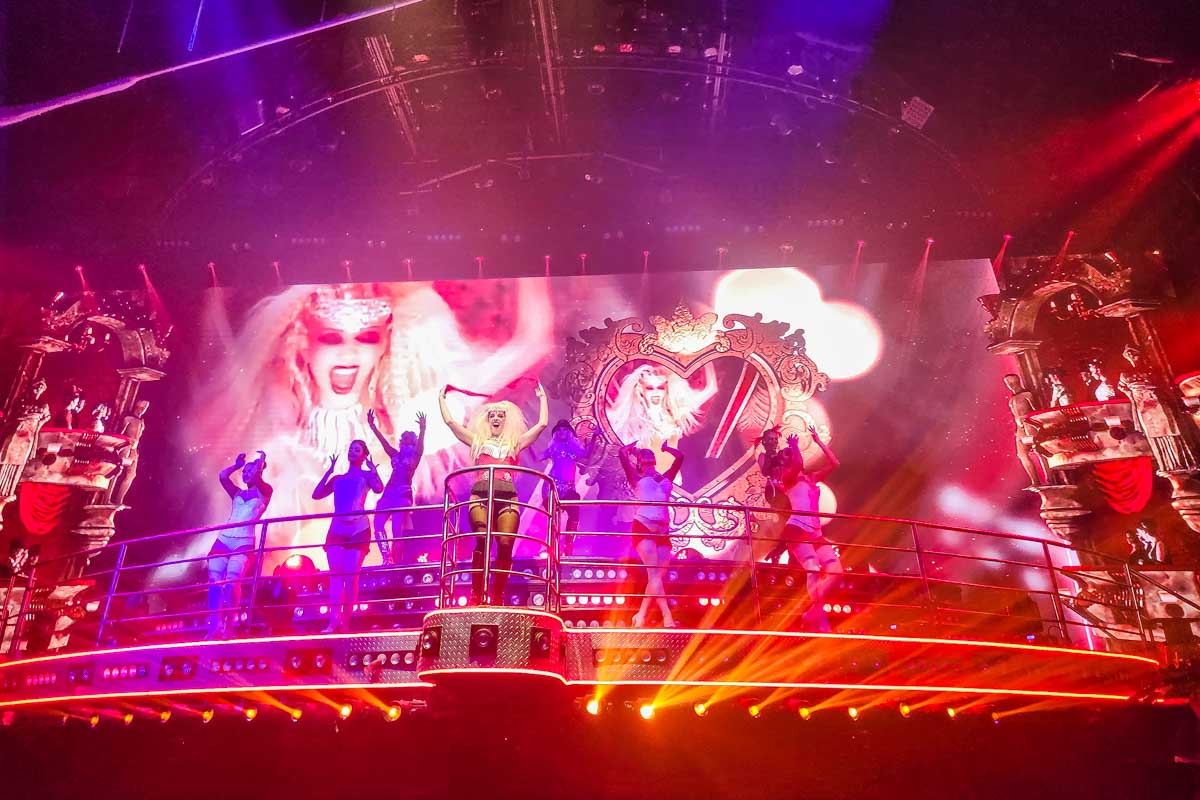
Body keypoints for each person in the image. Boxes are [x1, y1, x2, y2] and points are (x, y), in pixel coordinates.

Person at [182, 280, 552, 577]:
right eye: (330, 338)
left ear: (386, 345)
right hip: (285, 601)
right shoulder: (280, 450)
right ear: (303, 345)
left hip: (365, 586)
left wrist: (533, 266)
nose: (348, 355)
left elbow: (530, 344)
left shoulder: (404, 424)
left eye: (366, 338)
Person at [439, 382, 548, 605]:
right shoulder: (477, 441)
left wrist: (542, 397)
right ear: (487, 421)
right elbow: (451, 423)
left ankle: (497, 593)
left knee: (506, 543)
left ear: (505, 421)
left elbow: (542, 424)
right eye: (493, 416)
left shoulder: (514, 444)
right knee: (482, 538)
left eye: (500, 416)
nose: (496, 418)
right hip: (480, 495)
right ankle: (476, 593)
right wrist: (441, 398)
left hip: (507, 497)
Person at [312, 439, 384, 633]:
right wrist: (328, 472)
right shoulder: (338, 479)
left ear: (363, 454)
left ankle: (346, 620)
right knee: (335, 575)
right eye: (351, 449)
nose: (352, 452)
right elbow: (316, 494)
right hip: (337, 529)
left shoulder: (367, 475)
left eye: (357, 449)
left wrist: (374, 471)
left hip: (358, 529)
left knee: (351, 576)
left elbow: (379, 489)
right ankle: (333, 620)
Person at [774, 428, 842, 632]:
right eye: (787, 455)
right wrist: (794, 447)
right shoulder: (788, 478)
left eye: (790, 453)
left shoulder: (810, 478)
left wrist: (818, 441)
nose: (791, 456)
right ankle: (821, 621)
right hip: (797, 528)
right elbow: (797, 464)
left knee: (836, 571)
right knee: (812, 569)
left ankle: (812, 612)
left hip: (815, 531)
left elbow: (834, 463)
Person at [607, 362, 717, 476]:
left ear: (666, 389)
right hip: (647, 480)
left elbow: (710, 388)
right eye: (650, 388)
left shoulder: (675, 413)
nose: (656, 392)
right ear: (641, 390)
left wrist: (706, 358)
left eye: (660, 387)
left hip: (672, 480)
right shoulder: (632, 420)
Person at [207, 451, 273, 639]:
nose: (245, 474)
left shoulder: (265, 492)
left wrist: (259, 464)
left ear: (259, 472)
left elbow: (259, 479)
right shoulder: (237, 492)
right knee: (214, 581)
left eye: (249, 471)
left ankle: (230, 625)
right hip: (224, 539)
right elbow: (222, 476)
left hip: (244, 541)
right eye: (244, 472)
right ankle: (215, 626)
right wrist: (236, 465)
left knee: (232, 581)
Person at [618, 441, 683, 627]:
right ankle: (667, 616)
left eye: (651, 460)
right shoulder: (635, 478)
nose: (649, 463)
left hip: (663, 529)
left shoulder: (665, 477)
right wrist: (633, 448)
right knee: (653, 574)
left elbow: (680, 458)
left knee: (656, 576)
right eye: (644, 460)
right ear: (638, 463)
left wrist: (666, 448)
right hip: (643, 525)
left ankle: (640, 616)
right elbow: (622, 453)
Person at [367, 408, 426, 565]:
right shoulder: (395, 454)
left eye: (409, 439)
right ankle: (387, 557)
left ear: (413, 442)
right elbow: (383, 443)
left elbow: (420, 448)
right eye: (404, 439)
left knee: (396, 530)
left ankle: (396, 559)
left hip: (403, 494)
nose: (406, 440)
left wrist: (422, 429)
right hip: (388, 493)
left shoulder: (415, 456)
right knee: (378, 524)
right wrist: (373, 427)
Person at [537, 420, 601, 556]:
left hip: (569, 488)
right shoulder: (553, 447)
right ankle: (550, 547)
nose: (562, 432)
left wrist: (595, 437)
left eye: (565, 429)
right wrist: (526, 446)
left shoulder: (574, 447)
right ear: (555, 433)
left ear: (570, 432)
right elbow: (538, 457)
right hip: (552, 486)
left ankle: (568, 547)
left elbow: (587, 453)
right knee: (552, 518)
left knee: (574, 513)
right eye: (559, 430)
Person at [1004, 374, 1044, 486]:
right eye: (1007, 383)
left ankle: (1049, 478)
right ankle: (1035, 481)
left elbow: (1037, 410)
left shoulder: (1027, 394)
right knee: (1022, 454)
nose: (1008, 385)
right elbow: (1014, 415)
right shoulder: (1012, 399)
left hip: (1029, 424)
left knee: (1039, 451)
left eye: (1009, 382)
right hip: (1020, 428)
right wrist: (1016, 429)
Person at [108, 400, 150, 505]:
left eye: (145, 408)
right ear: (137, 407)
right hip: (125, 446)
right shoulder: (128, 419)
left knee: (131, 474)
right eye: (142, 408)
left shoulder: (141, 421)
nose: (143, 410)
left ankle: (119, 500)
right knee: (118, 471)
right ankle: (107, 497)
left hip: (134, 449)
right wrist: (125, 443)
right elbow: (120, 434)